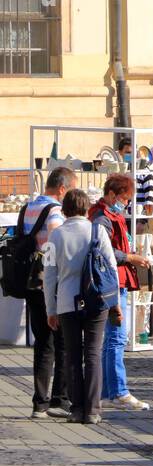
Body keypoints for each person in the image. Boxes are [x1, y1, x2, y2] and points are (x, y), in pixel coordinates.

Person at [43, 188, 121, 425]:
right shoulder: (97, 230)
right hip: (97, 300)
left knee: (72, 356)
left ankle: (77, 409)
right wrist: (114, 302)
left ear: (64, 210)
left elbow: (48, 276)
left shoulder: (54, 236)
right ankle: (93, 410)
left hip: (67, 302)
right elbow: (111, 268)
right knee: (94, 354)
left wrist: (51, 309)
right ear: (86, 208)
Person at [90, 175, 150, 412]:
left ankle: (107, 392)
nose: (125, 204)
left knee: (112, 339)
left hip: (115, 281)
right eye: (124, 199)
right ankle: (119, 392)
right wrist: (131, 257)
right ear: (113, 194)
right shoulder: (101, 217)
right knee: (116, 337)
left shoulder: (109, 215)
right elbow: (103, 251)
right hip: (111, 282)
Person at [20, 167, 75, 418]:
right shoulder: (54, 211)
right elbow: (55, 245)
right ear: (62, 189)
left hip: (30, 282)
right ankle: (58, 400)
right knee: (61, 341)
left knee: (42, 342)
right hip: (49, 283)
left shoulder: (28, 207)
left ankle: (39, 402)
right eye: (70, 190)